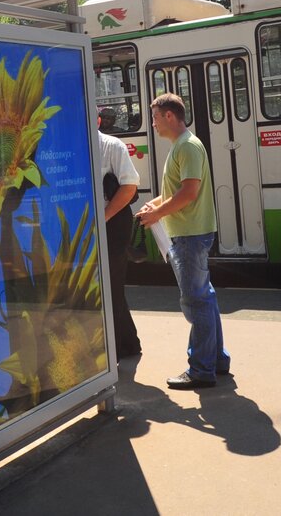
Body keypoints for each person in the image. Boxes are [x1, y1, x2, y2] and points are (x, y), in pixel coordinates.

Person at [136, 93, 230, 390]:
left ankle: (201, 370)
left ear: (168, 116)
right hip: (190, 231)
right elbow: (178, 190)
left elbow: (189, 193)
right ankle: (216, 360)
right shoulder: (184, 145)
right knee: (206, 297)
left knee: (195, 301)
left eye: (154, 117)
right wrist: (157, 206)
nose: (152, 124)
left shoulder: (186, 147)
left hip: (189, 234)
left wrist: (157, 215)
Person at [97, 110, 141, 359]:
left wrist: (103, 218)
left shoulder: (112, 146)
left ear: (99, 121)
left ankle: (114, 351)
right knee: (107, 287)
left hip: (113, 222)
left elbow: (129, 186)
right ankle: (128, 344)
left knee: (111, 286)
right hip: (94, 223)